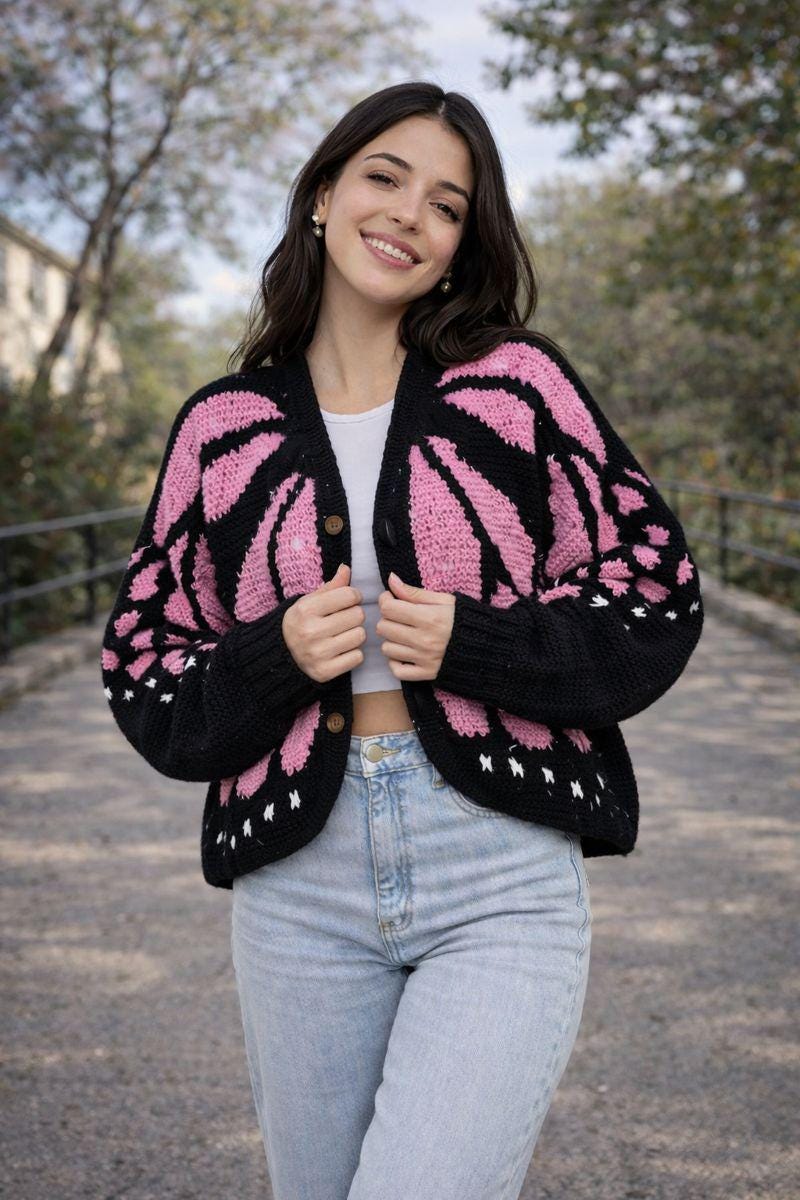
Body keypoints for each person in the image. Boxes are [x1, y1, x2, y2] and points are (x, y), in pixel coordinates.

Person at [100, 80, 704, 1200]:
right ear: (324, 195)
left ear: (462, 242)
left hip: (497, 864)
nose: (409, 216)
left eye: (447, 204)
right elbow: (144, 671)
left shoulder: (515, 389)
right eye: (384, 177)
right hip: (298, 884)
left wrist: (479, 643)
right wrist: (274, 655)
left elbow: (653, 592)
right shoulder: (222, 429)